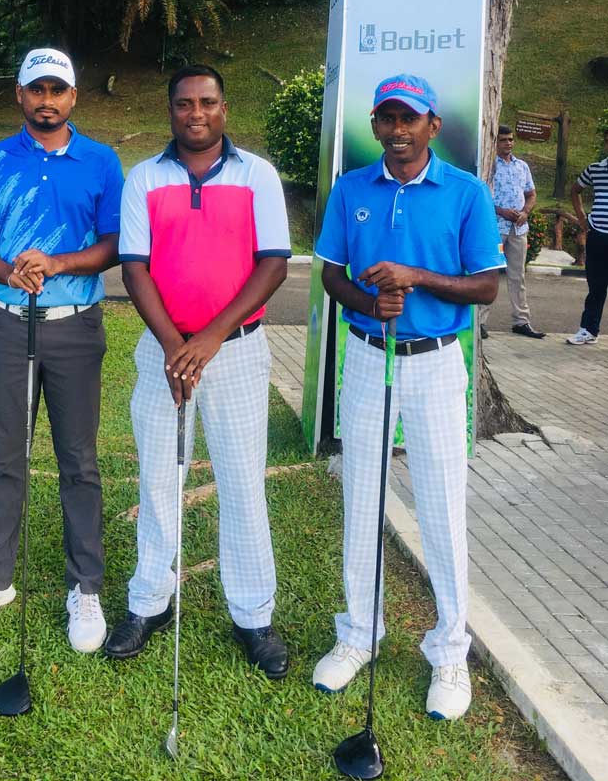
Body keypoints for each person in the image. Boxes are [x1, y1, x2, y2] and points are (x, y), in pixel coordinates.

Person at [311, 73, 504, 720]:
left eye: (409, 119)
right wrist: (371, 303)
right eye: (386, 119)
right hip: (369, 357)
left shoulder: (466, 192)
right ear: (376, 125)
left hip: (436, 364)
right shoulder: (351, 189)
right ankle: (359, 633)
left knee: (442, 507)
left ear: (432, 126)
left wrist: (414, 277)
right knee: (361, 496)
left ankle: (449, 650)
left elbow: (486, 287)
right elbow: (331, 273)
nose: (397, 131)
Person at [104, 65, 292, 679]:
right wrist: (173, 347)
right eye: (184, 103)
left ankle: (253, 615)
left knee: (242, 483)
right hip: (163, 352)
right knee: (159, 479)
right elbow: (134, 268)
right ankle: (149, 603)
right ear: (171, 111)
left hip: (235, 351)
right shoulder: (144, 177)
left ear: (224, 109)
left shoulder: (257, 174)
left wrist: (206, 341)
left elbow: (273, 265)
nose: (196, 113)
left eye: (207, 102)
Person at [0, 48, 124, 655]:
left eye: (57, 90)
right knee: (7, 455)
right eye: (36, 89)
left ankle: (86, 587)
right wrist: (7, 273)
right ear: (19, 95)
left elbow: (114, 243)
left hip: (75, 326)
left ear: (74, 97)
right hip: (6, 323)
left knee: (79, 460)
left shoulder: (101, 161)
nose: (47, 100)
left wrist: (59, 263)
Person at [479, 125, 543, 339]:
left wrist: (525, 212)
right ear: (495, 142)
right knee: (490, 273)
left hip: (518, 228)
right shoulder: (489, 166)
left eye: (511, 139)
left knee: (518, 276)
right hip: (496, 227)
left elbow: (531, 194)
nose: (509, 143)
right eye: (504, 140)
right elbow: (481, 196)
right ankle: (480, 322)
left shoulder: (521, 166)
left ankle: (521, 321)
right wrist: (501, 211)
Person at [567, 128, 608, 345]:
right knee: (596, 286)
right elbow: (575, 190)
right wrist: (582, 217)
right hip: (598, 233)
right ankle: (588, 330)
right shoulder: (595, 169)